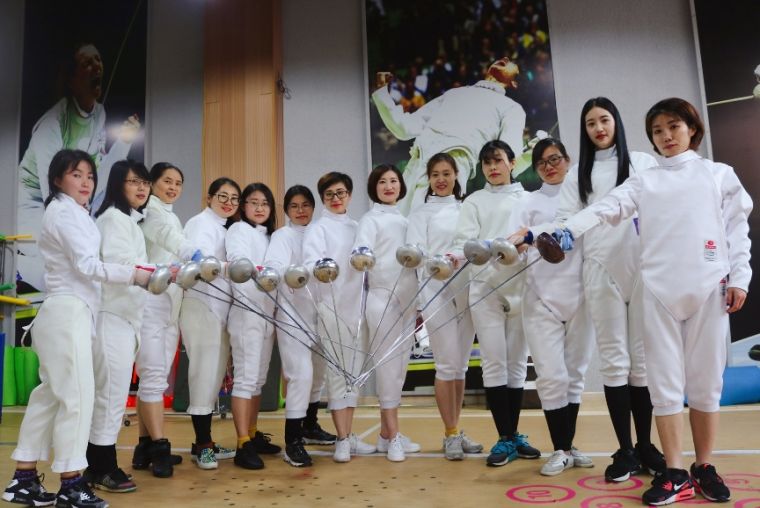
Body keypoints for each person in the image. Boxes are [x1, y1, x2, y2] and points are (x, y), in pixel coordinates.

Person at [532, 98, 751, 505]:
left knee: (706, 385)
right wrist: (567, 231)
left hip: (708, 287)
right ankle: (675, 472)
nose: (666, 136)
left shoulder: (718, 174)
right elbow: (606, 208)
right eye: (657, 131)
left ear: (691, 129)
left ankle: (704, 466)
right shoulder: (645, 180)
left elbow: (737, 230)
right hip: (658, 291)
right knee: (663, 386)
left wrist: (740, 277)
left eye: (674, 127)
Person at [511, 97, 664, 482]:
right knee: (614, 361)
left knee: (641, 361)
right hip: (598, 269)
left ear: (616, 122)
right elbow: (564, 221)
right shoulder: (580, 172)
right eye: (591, 123)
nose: (598, 128)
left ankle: (646, 445)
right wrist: (534, 236)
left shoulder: (642, 162)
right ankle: (625, 450)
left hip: (641, 269)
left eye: (604, 120)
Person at [3, 149, 154, 508]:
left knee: (50, 396)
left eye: (89, 176)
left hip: (70, 313)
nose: (85, 182)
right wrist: (135, 275)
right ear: (57, 179)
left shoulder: (75, 212)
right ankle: (71, 484)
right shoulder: (63, 213)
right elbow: (88, 265)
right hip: (67, 313)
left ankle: (23, 479)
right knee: (77, 398)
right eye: (76, 175)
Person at [16, 42, 141, 292]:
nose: (96, 66)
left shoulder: (99, 114)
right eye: (87, 63)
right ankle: (19, 266)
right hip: (33, 204)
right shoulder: (52, 124)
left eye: (98, 60)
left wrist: (124, 142)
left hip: (73, 199)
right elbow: (52, 191)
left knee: (92, 248)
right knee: (61, 261)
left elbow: (98, 174)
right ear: (72, 80)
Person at [506, 138, 595, 476]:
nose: (549, 166)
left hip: (582, 295)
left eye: (555, 159)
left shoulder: (585, 197)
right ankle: (560, 448)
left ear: (567, 159)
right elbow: (513, 246)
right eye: (542, 162)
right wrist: (516, 246)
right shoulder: (527, 202)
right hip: (541, 298)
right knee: (551, 376)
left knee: (575, 375)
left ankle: (568, 446)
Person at [450, 140, 540, 467]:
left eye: (498, 160)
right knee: (493, 362)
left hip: (521, 288)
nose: (492, 167)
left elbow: (535, 239)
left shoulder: (529, 199)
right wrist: (476, 250)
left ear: (512, 163)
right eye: (487, 162)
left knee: (517, 364)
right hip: (485, 288)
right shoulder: (474, 201)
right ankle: (504, 437)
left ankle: (513, 435)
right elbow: (464, 243)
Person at [372, 58, 526, 214]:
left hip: (449, 169)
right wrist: (382, 93)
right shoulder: (454, 93)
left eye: (511, 62)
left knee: (432, 225)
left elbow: (509, 160)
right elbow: (405, 128)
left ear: (514, 83)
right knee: (396, 222)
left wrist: (530, 155)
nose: (505, 59)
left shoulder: (511, 108)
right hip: (416, 165)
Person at [405, 153, 483, 460]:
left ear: (456, 176)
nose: (441, 179)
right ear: (428, 178)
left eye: (446, 173)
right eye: (435, 174)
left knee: (460, 366)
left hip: (465, 290)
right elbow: (415, 257)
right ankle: (450, 432)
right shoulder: (420, 213)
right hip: (434, 292)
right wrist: (429, 287)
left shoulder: (467, 208)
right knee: (446, 364)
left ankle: (456, 429)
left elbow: (474, 247)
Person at [85, 161, 151, 493]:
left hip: (124, 319)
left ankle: (96, 466)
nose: (142, 188)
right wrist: (161, 272)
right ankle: (103, 468)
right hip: (111, 317)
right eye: (133, 182)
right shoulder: (113, 219)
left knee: (110, 395)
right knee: (109, 396)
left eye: (145, 183)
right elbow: (120, 265)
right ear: (117, 185)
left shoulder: (129, 221)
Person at [302, 172, 376, 463]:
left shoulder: (358, 227)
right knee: (336, 374)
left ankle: (349, 434)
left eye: (341, 193)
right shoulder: (317, 229)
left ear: (350, 195)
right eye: (329, 194)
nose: (336, 198)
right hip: (330, 308)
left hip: (357, 309)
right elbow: (311, 265)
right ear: (323, 197)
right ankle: (342, 439)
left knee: (352, 376)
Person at [264, 185, 336, 468]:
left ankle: (309, 425)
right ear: (286, 210)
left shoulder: (321, 231)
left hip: (321, 313)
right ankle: (292, 441)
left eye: (305, 205)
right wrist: (297, 273)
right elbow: (273, 266)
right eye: (294, 206)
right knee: (300, 375)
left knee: (318, 374)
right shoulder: (282, 236)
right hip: (292, 314)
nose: (301, 210)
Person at [132, 163, 197, 478]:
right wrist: (196, 255)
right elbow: (169, 239)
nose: (172, 187)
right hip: (150, 302)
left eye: (178, 183)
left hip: (170, 304)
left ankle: (144, 445)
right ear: (152, 183)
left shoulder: (171, 214)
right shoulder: (152, 212)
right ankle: (159, 447)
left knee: (153, 379)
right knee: (153, 377)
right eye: (166, 181)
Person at [353, 164, 420, 462]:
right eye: (382, 182)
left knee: (400, 369)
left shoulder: (406, 220)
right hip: (382, 299)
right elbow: (361, 252)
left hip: (408, 300)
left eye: (394, 181)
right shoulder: (370, 219)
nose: (389, 186)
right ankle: (393, 437)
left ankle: (385, 434)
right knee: (387, 368)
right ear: (374, 187)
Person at [179, 178, 240, 470]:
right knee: (203, 376)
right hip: (202, 307)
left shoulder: (223, 227)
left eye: (234, 198)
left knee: (213, 377)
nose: (228, 203)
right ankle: (203, 446)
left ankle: (204, 442)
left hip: (218, 309)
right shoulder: (199, 223)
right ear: (210, 197)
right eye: (222, 196)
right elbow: (204, 264)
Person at [225, 183, 282, 470]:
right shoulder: (238, 230)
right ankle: (242, 443)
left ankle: (252, 433)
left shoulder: (271, 237)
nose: (260, 208)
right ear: (243, 206)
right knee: (246, 379)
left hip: (267, 315)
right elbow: (238, 264)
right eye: (254, 202)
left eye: (265, 203)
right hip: (246, 313)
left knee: (258, 380)